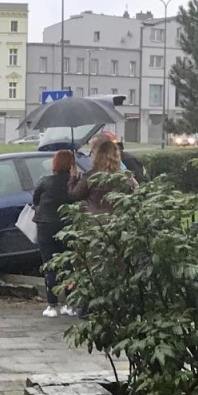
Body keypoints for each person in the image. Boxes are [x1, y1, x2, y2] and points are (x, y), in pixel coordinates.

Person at [32, 149, 78, 317]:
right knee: (68, 265)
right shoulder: (74, 184)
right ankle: (70, 304)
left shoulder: (45, 181)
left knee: (49, 265)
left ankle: (52, 305)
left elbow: (35, 200)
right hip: (67, 226)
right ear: (71, 165)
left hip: (45, 226)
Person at [68, 134, 138, 216]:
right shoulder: (124, 176)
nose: (91, 154)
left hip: (95, 219)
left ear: (99, 154)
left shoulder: (92, 175)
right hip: (117, 219)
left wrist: (73, 176)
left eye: (92, 150)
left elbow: (74, 194)